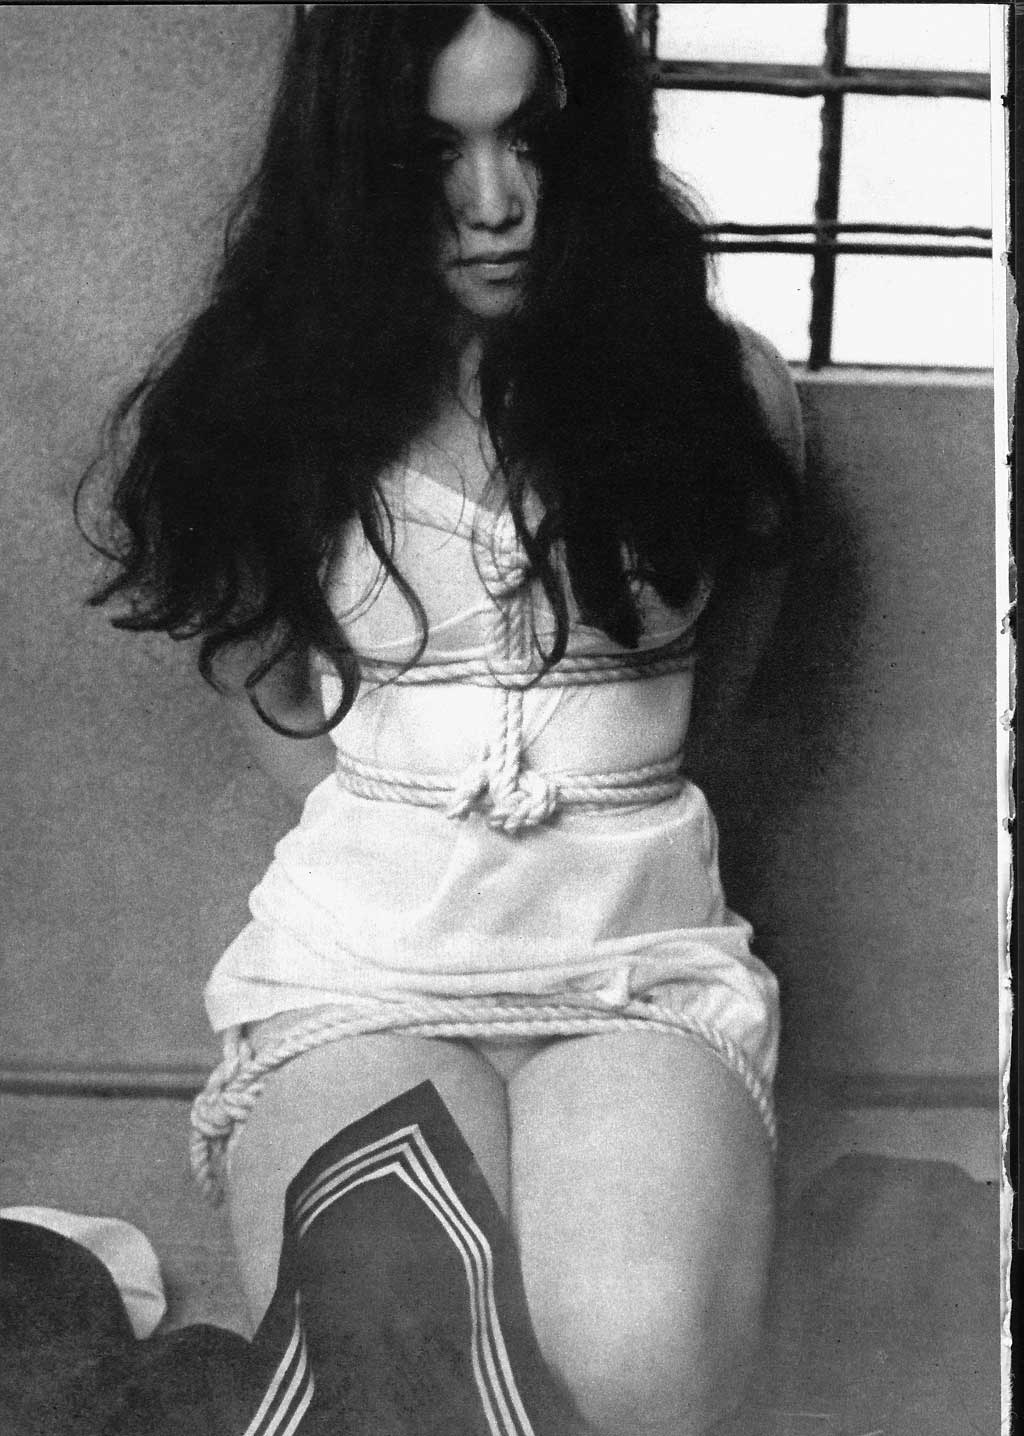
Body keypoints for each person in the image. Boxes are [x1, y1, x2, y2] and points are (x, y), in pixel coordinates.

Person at [77, 7, 804, 1434]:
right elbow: (277, 713)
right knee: (389, 1347)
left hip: (633, 964)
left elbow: (720, 687)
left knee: (637, 1369)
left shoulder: (725, 390)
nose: (494, 203)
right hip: (365, 969)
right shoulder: (272, 402)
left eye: (531, 140)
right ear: (356, 165)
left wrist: (590, 789)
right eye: (435, 154)